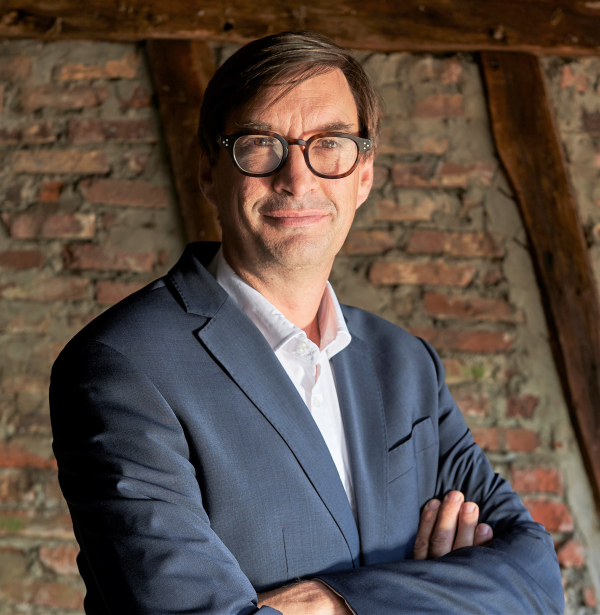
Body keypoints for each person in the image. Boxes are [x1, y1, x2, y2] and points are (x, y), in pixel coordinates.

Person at [49, 31, 564, 615]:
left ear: (363, 175)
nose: (297, 179)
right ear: (207, 170)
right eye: (260, 144)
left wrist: (333, 603)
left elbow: (537, 582)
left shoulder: (408, 363)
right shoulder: (121, 368)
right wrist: (444, 591)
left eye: (331, 144)